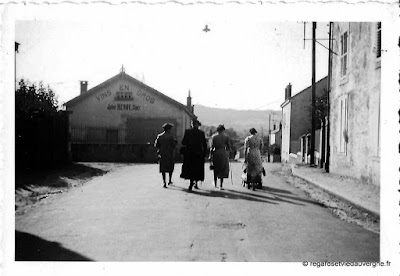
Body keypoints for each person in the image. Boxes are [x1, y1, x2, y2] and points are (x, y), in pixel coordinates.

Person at [180, 119, 207, 191]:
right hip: (198, 153)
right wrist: (204, 153)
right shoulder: (201, 133)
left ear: (192, 124)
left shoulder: (188, 132)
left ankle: (191, 182)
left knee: (190, 167)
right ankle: (196, 183)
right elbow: (204, 144)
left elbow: (183, 142)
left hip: (189, 152)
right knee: (197, 168)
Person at [154, 123, 177, 188]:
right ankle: (169, 180)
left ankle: (164, 182)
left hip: (162, 154)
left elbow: (156, 145)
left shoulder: (160, 136)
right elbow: (174, 145)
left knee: (163, 169)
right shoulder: (171, 136)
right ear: (169, 129)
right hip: (170, 154)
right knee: (170, 168)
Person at [210, 125, 230, 190]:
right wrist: (228, 153)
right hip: (223, 153)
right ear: (223, 130)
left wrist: (210, 155)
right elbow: (228, 147)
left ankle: (215, 183)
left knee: (216, 168)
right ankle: (221, 185)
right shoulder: (226, 137)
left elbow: (212, 147)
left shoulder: (214, 137)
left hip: (216, 152)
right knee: (222, 168)